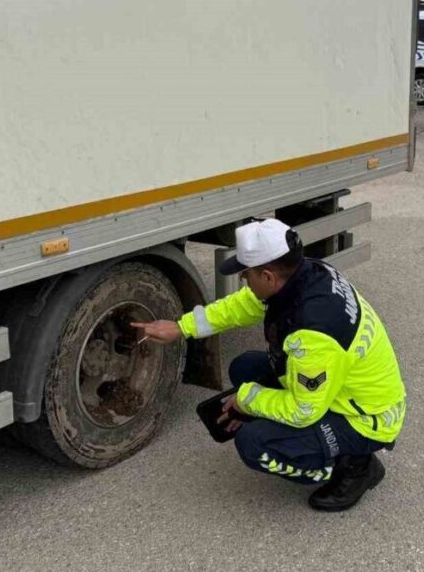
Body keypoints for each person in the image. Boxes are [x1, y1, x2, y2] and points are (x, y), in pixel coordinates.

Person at [134, 218, 406, 511]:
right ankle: (320, 444)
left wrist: (248, 400)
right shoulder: (305, 274)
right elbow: (241, 306)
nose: (242, 279)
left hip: (366, 417)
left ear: (267, 276)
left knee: (254, 444)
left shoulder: (313, 332)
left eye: (246, 274)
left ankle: (356, 467)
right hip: (338, 388)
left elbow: (304, 411)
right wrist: (181, 327)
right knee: (244, 368)